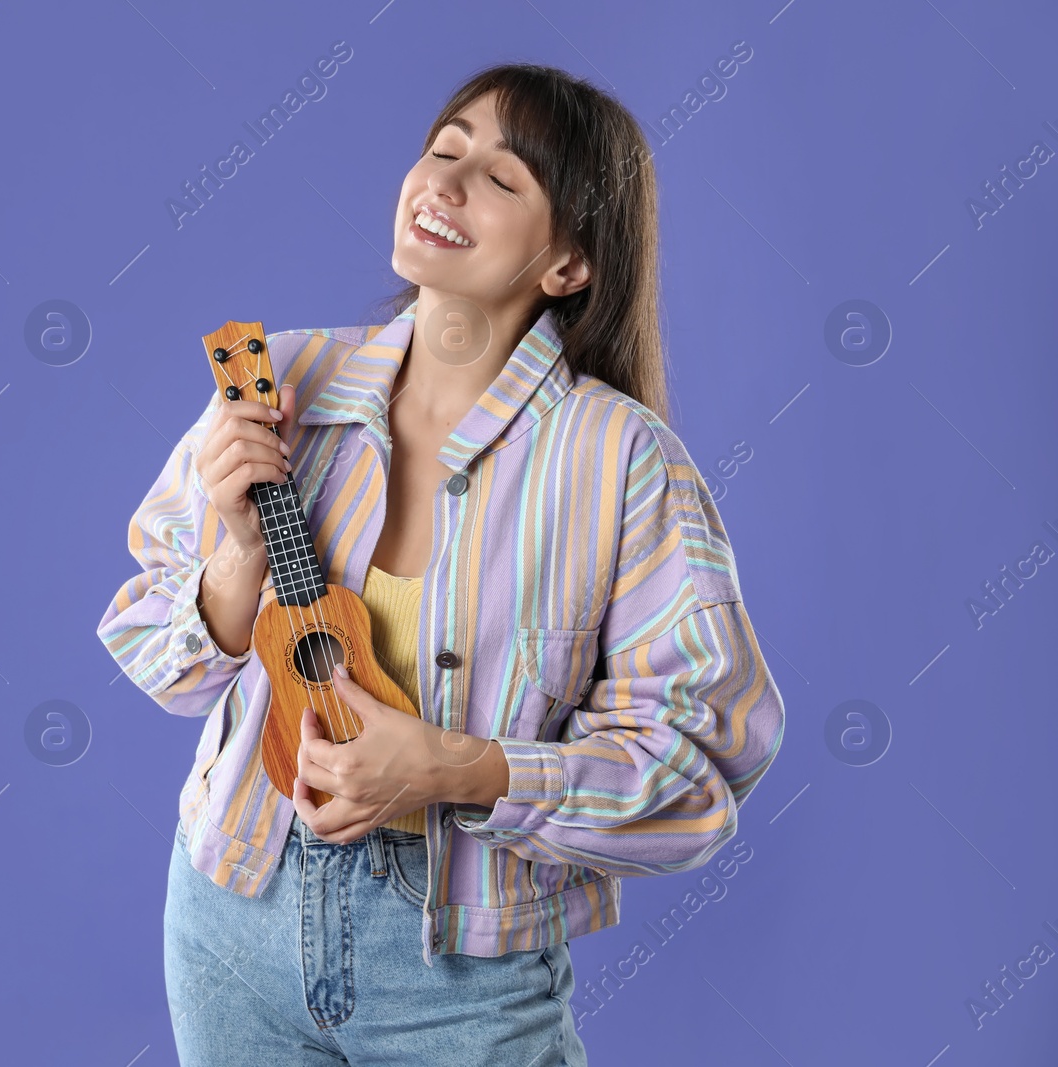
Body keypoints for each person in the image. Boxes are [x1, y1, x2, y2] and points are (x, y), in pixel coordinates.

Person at [97, 62, 786, 1066]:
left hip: (460, 963)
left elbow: (700, 765)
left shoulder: (620, 462)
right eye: (443, 148)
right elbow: (152, 648)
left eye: (502, 178)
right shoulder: (276, 380)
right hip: (230, 912)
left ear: (567, 264)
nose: (446, 182)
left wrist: (458, 770)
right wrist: (239, 557)